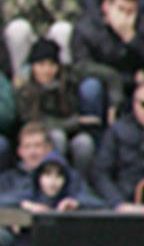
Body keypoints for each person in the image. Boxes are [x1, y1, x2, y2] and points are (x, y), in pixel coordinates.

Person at [16, 38, 98, 179]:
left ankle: (79, 182)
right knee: (57, 136)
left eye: (51, 65)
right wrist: (75, 122)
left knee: (84, 143)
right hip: (40, 135)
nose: (47, 70)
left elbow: (107, 75)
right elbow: (34, 120)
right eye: (41, 65)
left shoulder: (68, 80)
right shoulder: (25, 89)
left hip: (72, 132)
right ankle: (50, 177)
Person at [72, 0, 144, 124]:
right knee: (91, 87)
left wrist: (131, 39)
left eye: (130, 12)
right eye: (121, 9)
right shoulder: (87, 28)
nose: (125, 16)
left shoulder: (141, 28)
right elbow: (82, 65)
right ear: (106, 6)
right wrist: (120, 77)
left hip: (132, 85)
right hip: (102, 82)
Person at [91, 81, 144, 213]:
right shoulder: (117, 131)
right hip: (126, 203)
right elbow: (101, 173)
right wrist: (118, 203)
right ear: (134, 105)